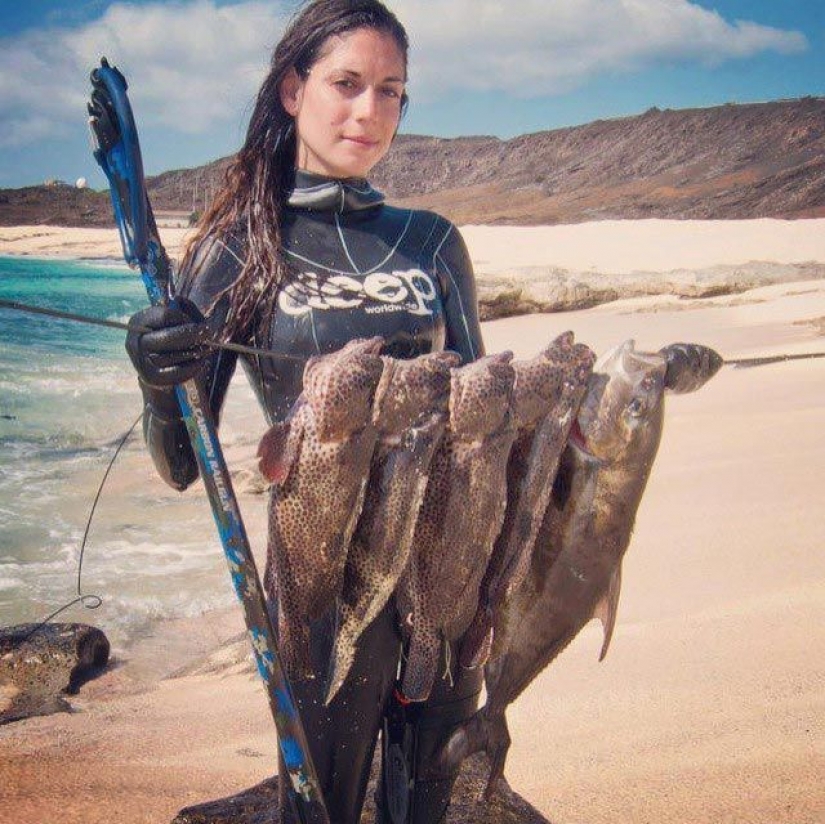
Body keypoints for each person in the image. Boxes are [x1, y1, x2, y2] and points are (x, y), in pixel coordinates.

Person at [124, 2, 484, 822]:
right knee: (319, 802)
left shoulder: (431, 241)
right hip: (318, 574)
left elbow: (476, 421)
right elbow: (182, 465)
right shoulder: (237, 245)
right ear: (292, 91)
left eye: (390, 91)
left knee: (431, 801)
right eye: (346, 84)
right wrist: (156, 377)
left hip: (443, 566)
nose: (369, 111)